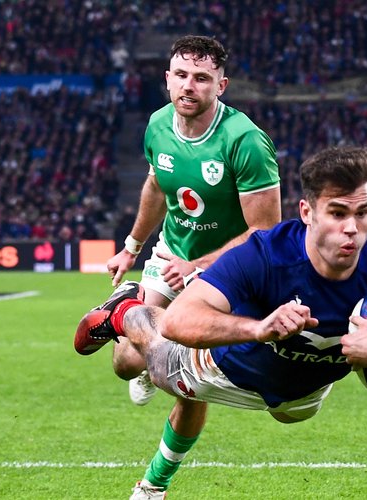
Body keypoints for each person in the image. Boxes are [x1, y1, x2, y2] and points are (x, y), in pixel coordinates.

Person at [76, 146, 367, 499]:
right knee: (144, 362)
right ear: (307, 212)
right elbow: (180, 320)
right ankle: (126, 309)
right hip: (228, 366)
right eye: (337, 213)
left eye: (362, 212)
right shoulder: (265, 254)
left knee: (289, 415)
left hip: (303, 391)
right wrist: (259, 329)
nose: (352, 229)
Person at [103, 35, 282, 405]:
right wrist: (131, 248)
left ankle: (164, 348)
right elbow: (156, 187)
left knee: (207, 367)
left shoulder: (245, 140)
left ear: (221, 86)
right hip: (173, 252)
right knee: (124, 364)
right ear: (168, 78)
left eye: (201, 78)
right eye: (181, 75)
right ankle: (144, 327)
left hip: (231, 265)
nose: (188, 85)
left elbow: (266, 231)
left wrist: (198, 265)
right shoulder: (157, 125)